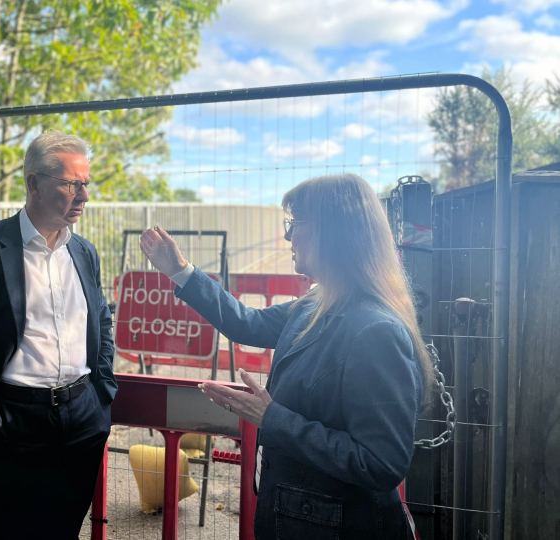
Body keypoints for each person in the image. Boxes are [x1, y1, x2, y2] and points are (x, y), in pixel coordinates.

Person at [140, 173, 431, 540]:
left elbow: (381, 463)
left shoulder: (376, 331)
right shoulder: (318, 301)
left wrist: (270, 417)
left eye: (294, 224)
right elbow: (247, 324)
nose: (287, 236)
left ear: (331, 232)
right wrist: (181, 271)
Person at [0, 131, 117, 539]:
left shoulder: (84, 252)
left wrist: (102, 392)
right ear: (33, 183)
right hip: (11, 420)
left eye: (86, 183)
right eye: (72, 184)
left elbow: (102, 321)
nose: (84, 196)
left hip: (81, 418)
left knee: (64, 530)